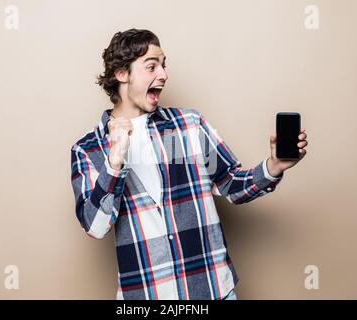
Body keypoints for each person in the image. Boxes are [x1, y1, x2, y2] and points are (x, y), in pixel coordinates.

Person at [70, 28, 308, 300]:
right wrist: (114, 163)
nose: (163, 74)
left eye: (163, 65)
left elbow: (230, 184)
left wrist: (274, 165)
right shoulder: (88, 150)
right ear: (122, 74)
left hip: (211, 288)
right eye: (151, 66)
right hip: (147, 295)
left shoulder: (189, 126)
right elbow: (95, 227)